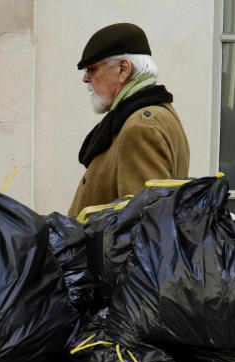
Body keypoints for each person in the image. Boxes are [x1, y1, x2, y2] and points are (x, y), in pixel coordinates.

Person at [68, 22, 190, 218]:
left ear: (123, 69)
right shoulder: (151, 114)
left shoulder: (142, 126)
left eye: (91, 69)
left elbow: (140, 226)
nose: (85, 79)